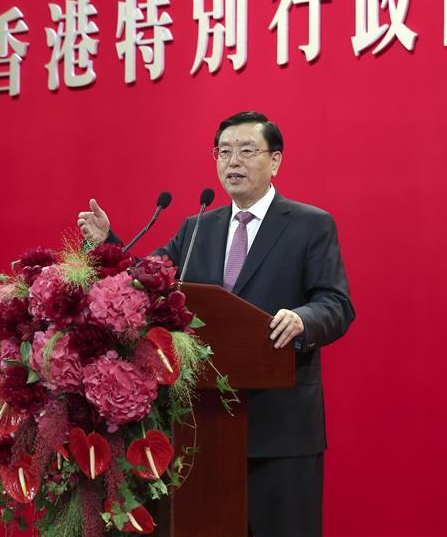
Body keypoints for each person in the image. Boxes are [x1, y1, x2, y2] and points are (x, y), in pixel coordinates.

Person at [77, 111, 354, 537]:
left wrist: (302, 319)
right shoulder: (197, 228)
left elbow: (336, 304)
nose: (233, 162)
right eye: (223, 152)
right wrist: (109, 245)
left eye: (246, 151)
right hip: (202, 427)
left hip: (280, 429)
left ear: (275, 161)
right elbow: (147, 285)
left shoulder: (310, 225)